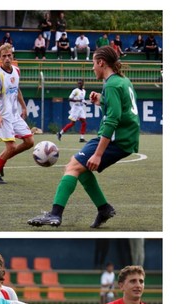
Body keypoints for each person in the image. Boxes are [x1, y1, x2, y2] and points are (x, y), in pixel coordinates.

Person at [28, 46, 140, 228]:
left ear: (101, 62)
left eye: (93, 63)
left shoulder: (111, 84)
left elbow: (113, 120)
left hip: (117, 138)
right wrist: (101, 100)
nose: (92, 68)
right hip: (125, 137)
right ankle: (104, 208)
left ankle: (55, 214)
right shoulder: (122, 80)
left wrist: (98, 154)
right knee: (80, 166)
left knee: (72, 167)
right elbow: (122, 107)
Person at [0, 43, 34, 184]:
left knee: (29, 142)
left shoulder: (16, 71)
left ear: (12, 56)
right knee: (11, 147)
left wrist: (24, 107)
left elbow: (17, 90)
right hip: (5, 117)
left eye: (9, 55)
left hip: (15, 115)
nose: (7, 58)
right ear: (0, 58)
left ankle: (1, 158)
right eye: (4, 56)